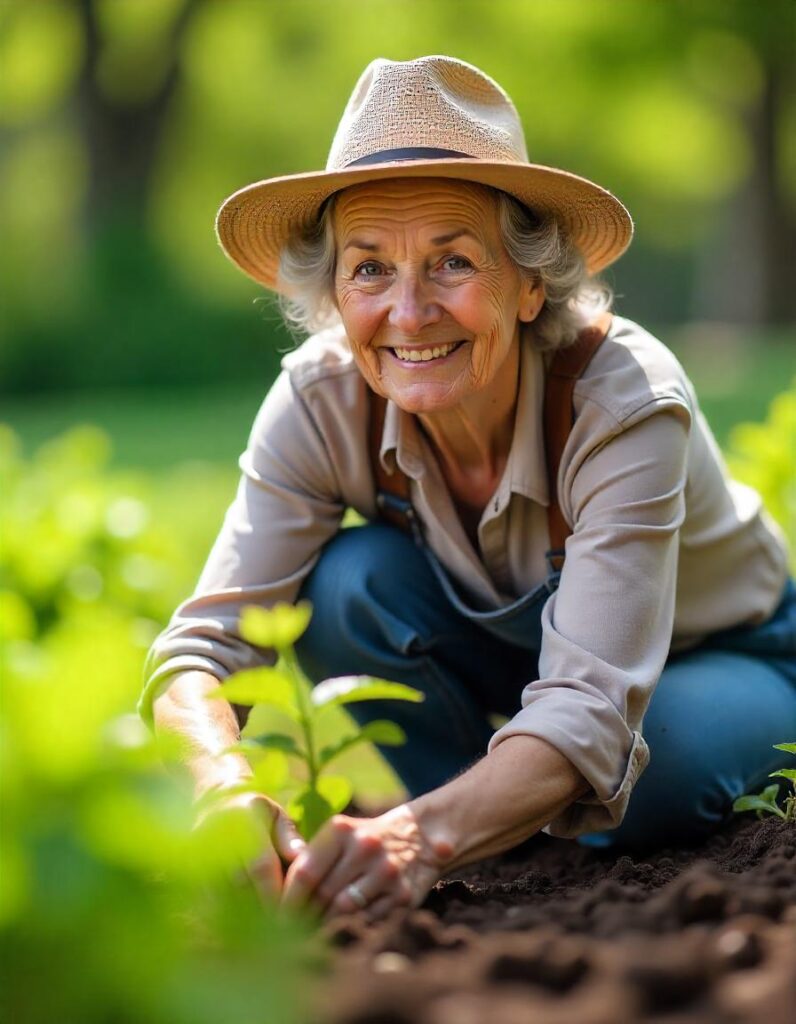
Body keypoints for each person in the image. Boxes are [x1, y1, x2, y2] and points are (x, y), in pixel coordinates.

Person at [140, 55, 796, 923]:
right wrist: (219, 787)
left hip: (718, 652)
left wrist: (418, 837)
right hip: (533, 671)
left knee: (652, 765)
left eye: (451, 263)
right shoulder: (318, 398)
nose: (409, 314)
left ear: (530, 284)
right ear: (334, 293)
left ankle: (477, 814)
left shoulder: (622, 396)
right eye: (370, 269)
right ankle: (495, 815)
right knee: (350, 585)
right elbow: (201, 649)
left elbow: (599, 707)